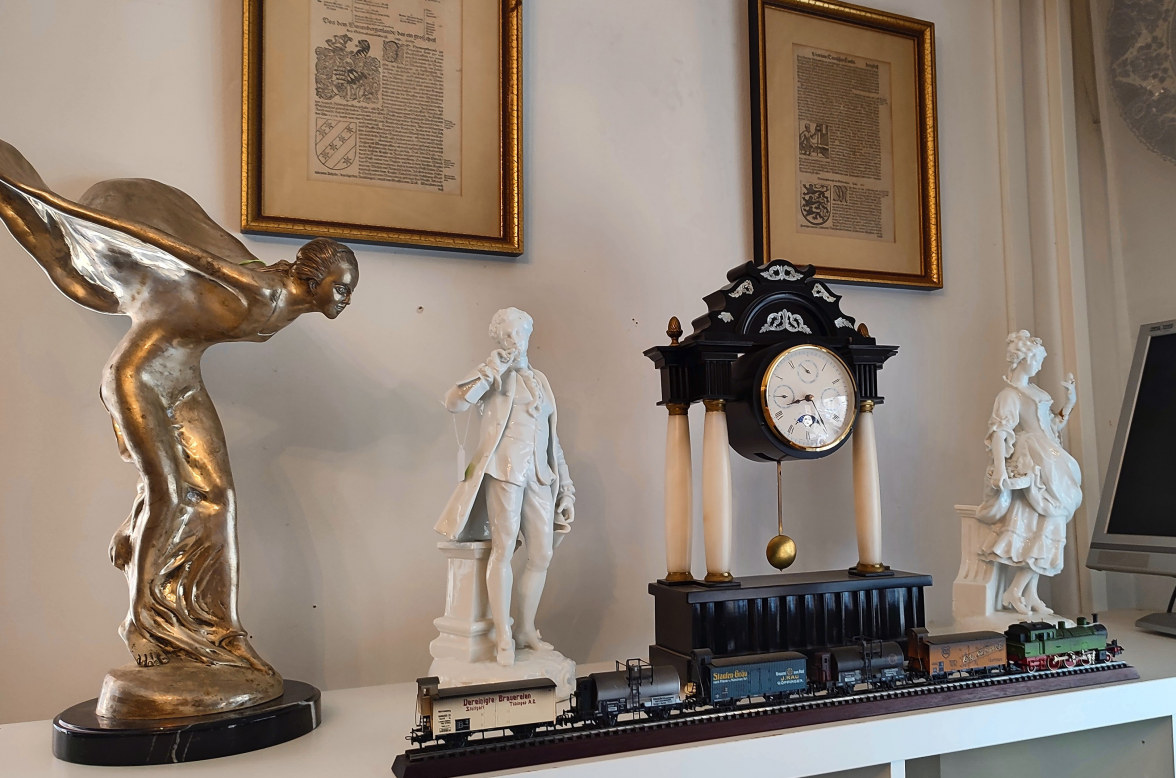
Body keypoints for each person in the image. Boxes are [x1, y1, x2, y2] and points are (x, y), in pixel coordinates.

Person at [0, 139, 358, 715]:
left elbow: (219, 260)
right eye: (340, 285)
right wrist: (69, 214)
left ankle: (221, 634)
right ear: (313, 277)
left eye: (349, 289)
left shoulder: (279, 295)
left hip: (182, 379)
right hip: (138, 376)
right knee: (169, 493)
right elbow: (184, 254)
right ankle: (140, 620)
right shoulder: (261, 290)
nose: (345, 298)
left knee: (217, 498)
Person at [436, 308, 575, 666]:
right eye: (508, 335)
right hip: (504, 472)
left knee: (541, 555)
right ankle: (503, 636)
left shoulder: (540, 380)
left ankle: (526, 630)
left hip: (539, 475)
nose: (516, 341)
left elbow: (553, 441)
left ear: (529, 334)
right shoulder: (493, 374)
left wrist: (567, 488)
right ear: (499, 338)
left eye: (520, 333)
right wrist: (488, 371)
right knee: (503, 549)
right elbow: (453, 402)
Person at [976, 330, 1081, 616]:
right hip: (1032, 460)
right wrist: (1000, 467)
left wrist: (1069, 404)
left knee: (1049, 520)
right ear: (1024, 358)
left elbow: (1051, 428)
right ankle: (1015, 590)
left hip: (1049, 458)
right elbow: (1000, 432)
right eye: (1038, 360)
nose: (1040, 365)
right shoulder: (1009, 395)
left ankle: (1030, 593)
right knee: (1043, 521)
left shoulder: (1037, 392)